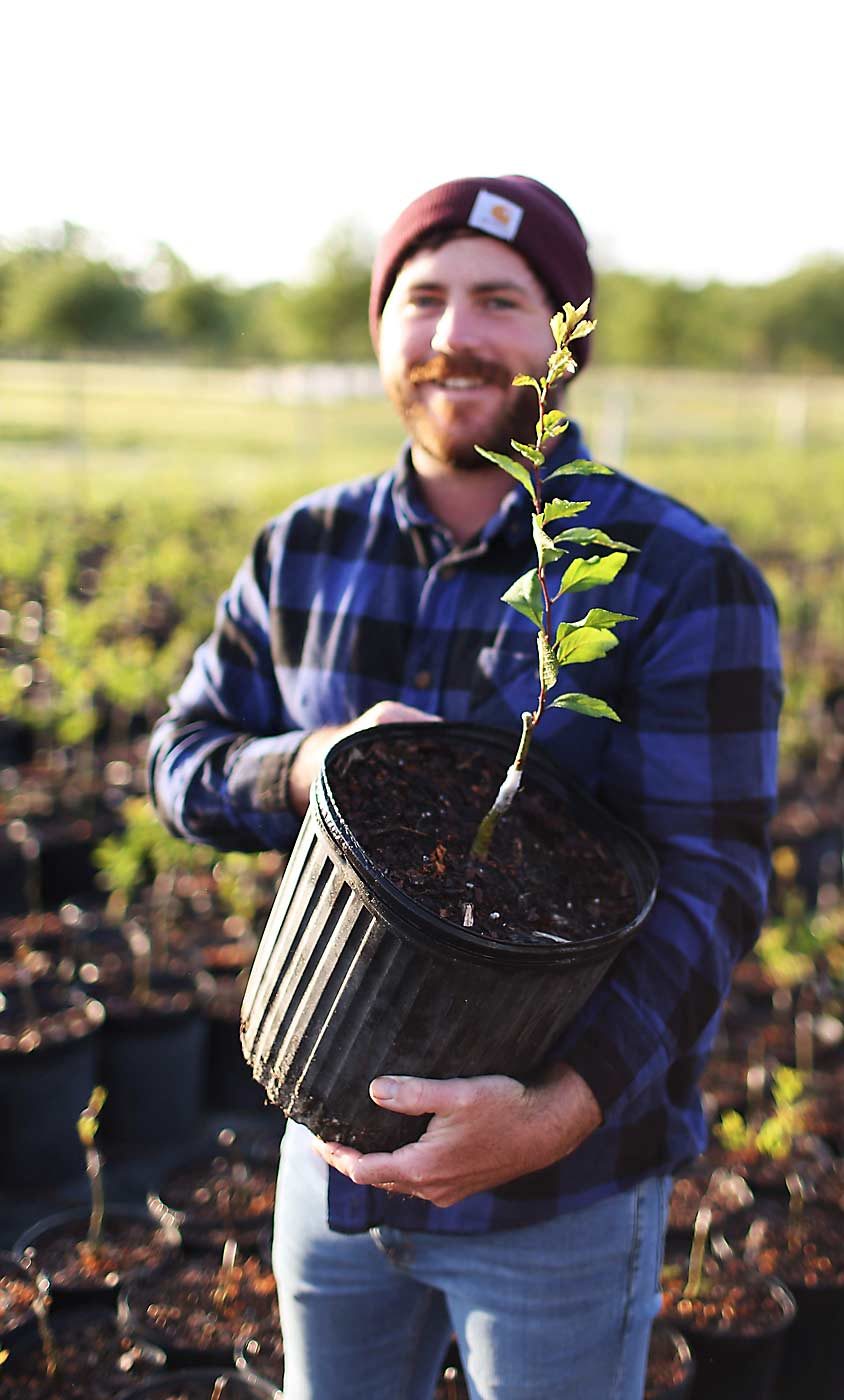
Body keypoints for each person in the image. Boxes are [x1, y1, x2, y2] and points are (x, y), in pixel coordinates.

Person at [148, 175, 782, 1400]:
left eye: (501, 299)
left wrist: (554, 1109)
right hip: (321, 1163)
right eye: (422, 296)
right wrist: (307, 762)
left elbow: (708, 886)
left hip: (558, 1197)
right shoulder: (303, 550)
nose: (454, 335)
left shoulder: (679, 577)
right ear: (381, 327)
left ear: (564, 336)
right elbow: (181, 758)